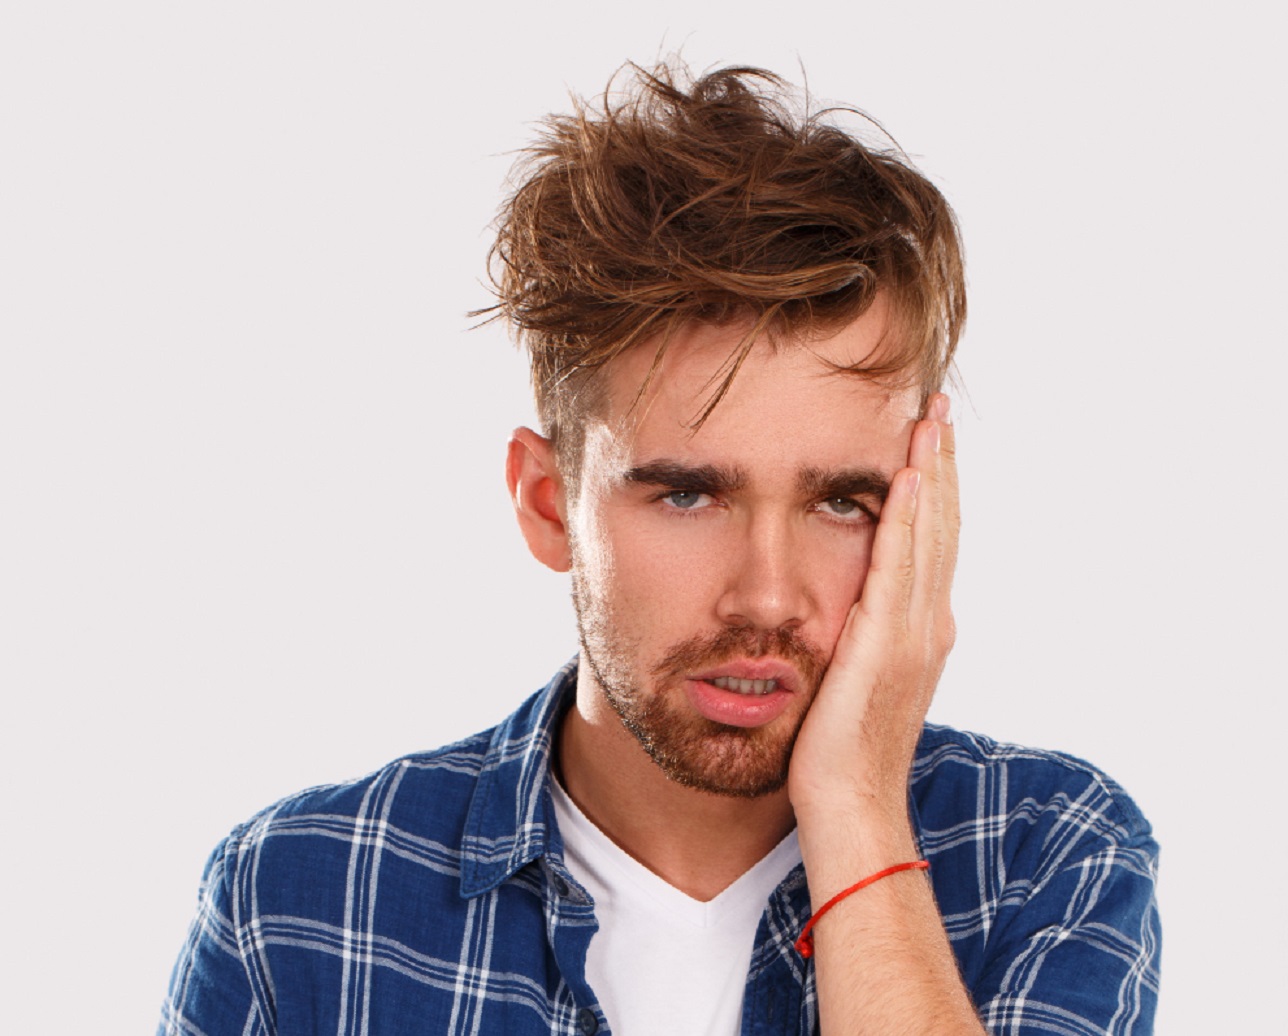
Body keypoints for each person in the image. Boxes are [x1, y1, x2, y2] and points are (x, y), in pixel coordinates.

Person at [159, 63, 1160, 1035]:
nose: (767, 596)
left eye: (843, 501)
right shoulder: (298, 904)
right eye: (687, 493)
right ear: (548, 504)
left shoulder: (1047, 855)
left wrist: (855, 807)